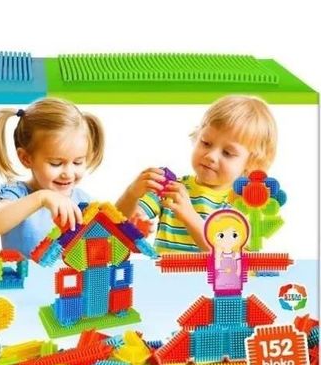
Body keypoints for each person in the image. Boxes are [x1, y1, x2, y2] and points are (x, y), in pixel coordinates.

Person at [117, 95, 278, 252]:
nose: (211, 156)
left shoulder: (242, 205)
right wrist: (132, 194)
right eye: (206, 143)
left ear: (252, 163)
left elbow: (230, 257)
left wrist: (189, 215)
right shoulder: (172, 189)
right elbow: (117, 226)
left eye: (227, 153)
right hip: (163, 271)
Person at [0, 98, 105, 257]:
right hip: (21, 274)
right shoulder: (17, 194)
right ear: (26, 158)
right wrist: (41, 198)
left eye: (77, 162)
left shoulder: (83, 201)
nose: (68, 173)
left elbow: (109, 237)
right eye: (56, 163)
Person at [204, 210, 249, 293]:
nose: (228, 240)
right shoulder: (218, 256)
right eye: (221, 235)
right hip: (220, 282)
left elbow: (239, 268)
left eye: (234, 235)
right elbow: (216, 268)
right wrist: (218, 259)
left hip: (235, 281)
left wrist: (237, 275)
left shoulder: (236, 255)